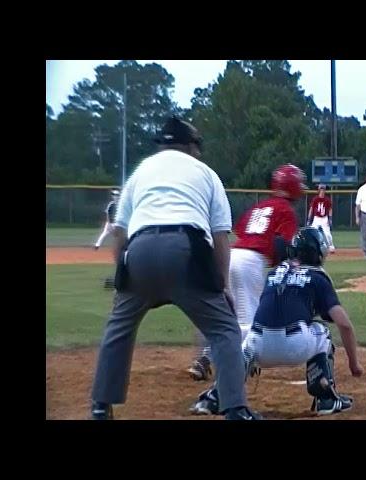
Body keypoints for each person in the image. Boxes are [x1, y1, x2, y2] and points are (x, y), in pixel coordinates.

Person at [90, 116, 261, 420]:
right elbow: (220, 237)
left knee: (119, 327)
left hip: (139, 250)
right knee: (224, 330)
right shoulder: (206, 173)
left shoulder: (141, 171)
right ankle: (235, 409)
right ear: (191, 146)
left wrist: (125, 278)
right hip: (186, 249)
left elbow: (120, 231)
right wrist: (221, 286)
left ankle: (101, 406)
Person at [190, 226, 363, 417]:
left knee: (248, 341)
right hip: (295, 345)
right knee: (321, 331)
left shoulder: (275, 272)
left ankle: (216, 396)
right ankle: (326, 398)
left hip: (259, 346)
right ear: (317, 252)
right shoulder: (318, 276)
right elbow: (344, 324)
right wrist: (354, 364)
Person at [187, 164, 306, 381]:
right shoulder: (286, 211)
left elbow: (242, 231)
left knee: (228, 315)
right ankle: (226, 363)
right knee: (248, 323)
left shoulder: (261, 206)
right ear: (294, 187)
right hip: (251, 262)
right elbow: (285, 246)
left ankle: (211, 358)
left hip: (232, 256)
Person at [307, 184, 335, 253]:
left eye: (323, 190)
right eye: (321, 190)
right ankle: (312, 247)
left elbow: (330, 209)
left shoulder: (327, 199)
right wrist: (309, 219)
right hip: (316, 218)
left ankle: (331, 246)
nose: (322, 191)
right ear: (319, 191)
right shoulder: (315, 199)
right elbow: (311, 209)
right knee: (312, 232)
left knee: (327, 233)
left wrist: (330, 218)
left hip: (324, 218)